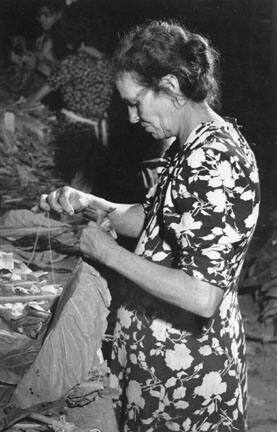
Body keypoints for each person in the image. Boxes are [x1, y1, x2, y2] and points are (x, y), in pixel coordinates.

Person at [39, 20, 260, 432]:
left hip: (188, 376)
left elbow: (202, 295)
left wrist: (107, 252)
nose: (131, 116)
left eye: (136, 102)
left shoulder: (216, 162)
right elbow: (156, 220)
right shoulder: (186, 145)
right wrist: (92, 204)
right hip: (156, 361)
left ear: (171, 87)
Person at [26, 19, 114, 191]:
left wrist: (18, 105)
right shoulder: (111, 66)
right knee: (84, 185)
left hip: (72, 130)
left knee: (59, 181)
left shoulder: (73, 62)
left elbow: (39, 95)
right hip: (98, 135)